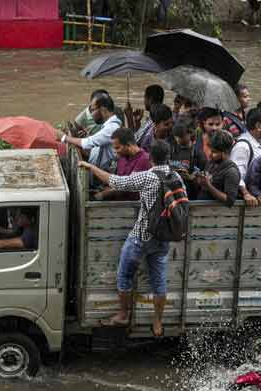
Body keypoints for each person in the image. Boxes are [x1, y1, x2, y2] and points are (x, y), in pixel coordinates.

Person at [77, 140, 181, 338]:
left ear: (150, 157)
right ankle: (157, 321)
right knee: (159, 282)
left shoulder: (147, 177)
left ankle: (124, 314)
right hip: (163, 238)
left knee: (124, 276)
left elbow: (115, 182)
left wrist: (90, 166)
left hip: (141, 237)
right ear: (168, 157)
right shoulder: (176, 177)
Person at [58, 93, 122, 172]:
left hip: (102, 179)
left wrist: (64, 137)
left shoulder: (111, 128)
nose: (91, 114)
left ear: (103, 109)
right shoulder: (107, 127)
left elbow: (88, 143)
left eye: (93, 110)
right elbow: (93, 150)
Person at [95, 128, 152, 201]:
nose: (115, 152)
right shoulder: (122, 157)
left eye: (117, 148)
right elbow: (116, 180)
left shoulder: (144, 160)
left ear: (128, 145)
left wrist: (102, 195)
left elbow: (126, 187)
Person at [229, 107, 261, 205]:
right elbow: (236, 174)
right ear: (258, 126)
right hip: (247, 202)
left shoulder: (260, 142)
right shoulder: (243, 146)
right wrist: (246, 194)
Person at [195, 129, 241, 207]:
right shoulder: (211, 163)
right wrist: (198, 181)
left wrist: (208, 186)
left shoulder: (231, 172)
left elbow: (229, 201)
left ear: (225, 152)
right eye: (210, 150)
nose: (210, 154)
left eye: (214, 152)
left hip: (216, 215)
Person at [169, 117, 207, 198]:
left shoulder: (198, 154)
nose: (178, 139)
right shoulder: (171, 150)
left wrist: (192, 177)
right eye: (176, 137)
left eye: (181, 136)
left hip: (190, 195)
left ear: (190, 133)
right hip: (173, 195)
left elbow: (203, 176)